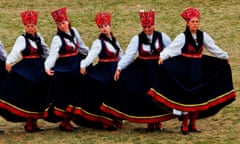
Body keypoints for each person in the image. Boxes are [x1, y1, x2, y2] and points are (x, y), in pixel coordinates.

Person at [147, 7, 236, 135]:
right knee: (188, 97)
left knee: (198, 96)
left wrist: (224, 56)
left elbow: (213, 48)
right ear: (187, 23)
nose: (195, 24)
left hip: (198, 70)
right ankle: (184, 124)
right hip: (185, 70)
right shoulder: (182, 37)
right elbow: (172, 48)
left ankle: (193, 124)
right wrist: (163, 56)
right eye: (193, 21)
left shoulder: (203, 36)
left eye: (197, 21)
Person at [100, 9, 175, 130]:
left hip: (158, 69)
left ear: (153, 25)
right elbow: (129, 55)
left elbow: (172, 50)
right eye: (145, 27)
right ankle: (150, 121)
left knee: (158, 95)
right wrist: (119, 68)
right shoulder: (137, 39)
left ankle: (158, 121)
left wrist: (167, 59)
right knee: (144, 93)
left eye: (149, 26)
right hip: (142, 69)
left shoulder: (162, 37)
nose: (147, 29)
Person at [72, 12, 123, 130]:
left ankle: (116, 117)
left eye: (105, 26)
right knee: (104, 89)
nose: (104, 29)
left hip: (114, 70)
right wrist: (83, 65)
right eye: (101, 27)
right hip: (103, 71)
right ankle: (105, 120)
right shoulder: (98, 43)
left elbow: (120, 55)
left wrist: (123, 66)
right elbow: (91, 56)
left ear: (109, 26)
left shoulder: (115, 41)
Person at [0, 10, 50, 132]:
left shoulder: (39, 38)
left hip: (40, 68)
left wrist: (50, 62)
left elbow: (46, 51)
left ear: (35, 26)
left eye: (32, 26)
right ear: (25, 27)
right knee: (29, 93)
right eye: (28, 26)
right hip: (28, 68)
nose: (30, 28)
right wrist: (9, 62)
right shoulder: (22, 39)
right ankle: (28, 122)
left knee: (40, 93)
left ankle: (34, 122)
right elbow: (16, 51)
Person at [44, 7, 89, 131]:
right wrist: (47, 67)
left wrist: (90, 57)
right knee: (66, 93)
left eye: (64, 23)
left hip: (76, 64)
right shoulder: (57, 39)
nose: (62, 26)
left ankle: (77, 117)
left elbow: (82, 47)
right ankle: (65, 121)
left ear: (68, 22)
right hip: (65, 68)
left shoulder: (74, 31)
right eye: (59, 24)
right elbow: (53, 54)